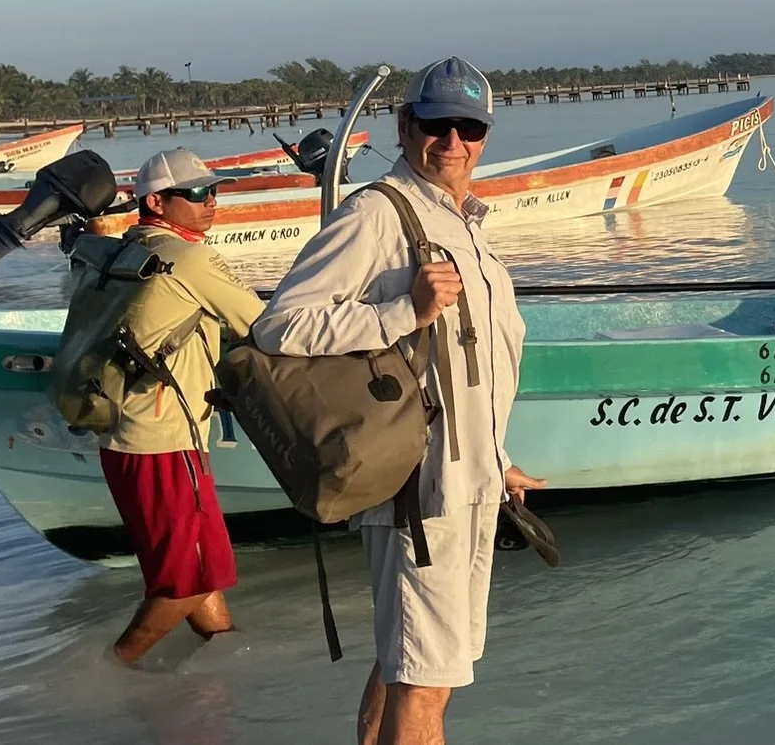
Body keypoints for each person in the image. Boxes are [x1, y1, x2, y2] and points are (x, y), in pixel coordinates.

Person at [249, 58, 541, 745]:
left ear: (485, 134)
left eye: (468, 128)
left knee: (409, 666)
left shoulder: (468, 223)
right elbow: (279, 326)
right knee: (424, 683)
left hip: (469, 486)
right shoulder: (378, 214)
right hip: (421, 493)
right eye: (436, 125)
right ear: (406, 126)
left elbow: (476, 369)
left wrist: (499, 461)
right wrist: (399, 314)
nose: (453, 142)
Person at [98, 147, 264, 664]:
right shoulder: (190, 257)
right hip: (167, 441)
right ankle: (113, 669)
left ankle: (225, 663)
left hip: (124, 439)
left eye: (213, 190)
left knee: (191, 570)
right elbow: (266, 325)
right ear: (156, 201)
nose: (210, 201)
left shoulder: (123, 250)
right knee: (186, 582)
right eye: (195, 194)